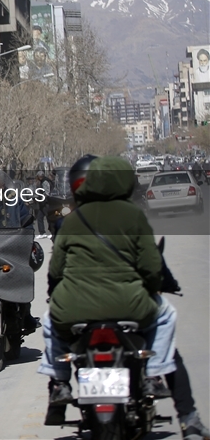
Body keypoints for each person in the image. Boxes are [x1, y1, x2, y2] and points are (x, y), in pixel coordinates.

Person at [39, 156, 210, 439]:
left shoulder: (71, 221)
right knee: (167, 315)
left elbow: (55, 272)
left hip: (75, 309)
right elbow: (151, 266)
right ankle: (157, 378)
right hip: (129, 306)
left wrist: (56, 298)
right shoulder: (132, 215)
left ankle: (59, 381)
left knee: (49, 322)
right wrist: (153, 286)